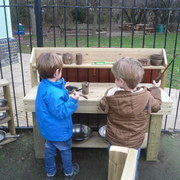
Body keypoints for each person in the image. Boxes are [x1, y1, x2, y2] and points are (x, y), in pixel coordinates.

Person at [99, 57, 162, 179]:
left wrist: (108, 92)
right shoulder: (147, 96)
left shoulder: (110, 95)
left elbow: (102, 105)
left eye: (115, 77)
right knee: (132, 165)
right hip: (134, 142)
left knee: (115, 164)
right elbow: (156, 106)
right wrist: (156, 90)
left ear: (121, 81)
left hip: (114, 141)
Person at [35, 53, 80, 180]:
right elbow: (61, 112)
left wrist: (62, 86)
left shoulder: (43, 85)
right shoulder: (54, 93)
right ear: (56, 73)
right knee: (65, 150)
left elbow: (52, 92)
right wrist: (73, 100)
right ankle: (69, 173)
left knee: (49, 150)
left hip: (47, 129)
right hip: (59, 130)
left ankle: (50, 173)